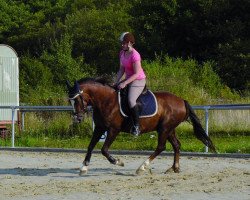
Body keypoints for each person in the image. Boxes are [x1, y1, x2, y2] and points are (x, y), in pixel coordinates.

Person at [115, 32, 146, 136]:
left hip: (138, 80)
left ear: (129, 43)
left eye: (123, 43)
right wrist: (116, 82)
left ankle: (137, 126)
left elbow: (137, 73)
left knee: (131, 100)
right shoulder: (122, 53)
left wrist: (124, 83)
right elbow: (121, 70)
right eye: (122, 43)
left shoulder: (135, 55)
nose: (122, 45)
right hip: (128, 79)